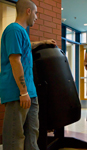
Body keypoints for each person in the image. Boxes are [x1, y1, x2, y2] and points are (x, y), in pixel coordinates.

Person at [0, 0, 56, 150]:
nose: (36, 17)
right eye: (36, 13)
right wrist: (23, 91)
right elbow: (15, 60)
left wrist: (43, 42)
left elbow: (26, 46)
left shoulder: (21, 33)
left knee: (32, 135)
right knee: (14, 137)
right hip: (18, 93)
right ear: (28, 11)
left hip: (30, 92)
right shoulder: (13, 30)